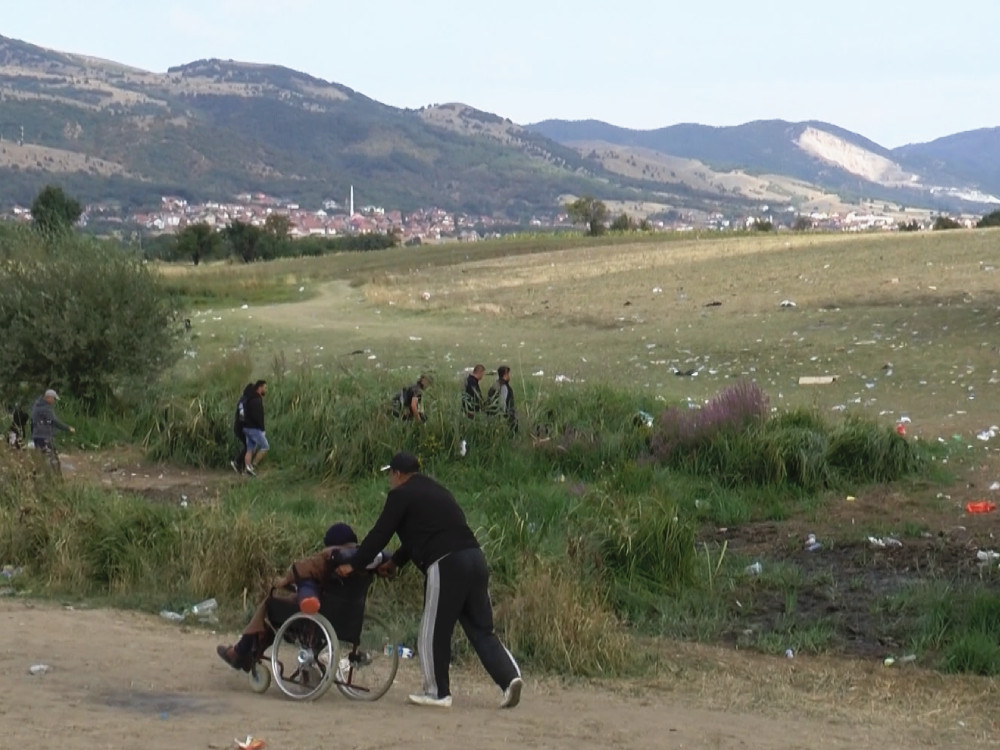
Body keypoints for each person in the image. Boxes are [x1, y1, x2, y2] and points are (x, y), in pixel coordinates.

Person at [337, 451, 523, 710]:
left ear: (398, 474)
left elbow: (380, 533)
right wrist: (396, 562)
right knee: (482, 630)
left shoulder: (400, 494)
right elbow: (425, 533)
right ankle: (510, 680)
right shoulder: (439, 491)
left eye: (390, 474)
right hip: (474, 557)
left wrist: (354, 564)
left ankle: (437, 693)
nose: (390, 480)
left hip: (446, 563)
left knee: (433, 629)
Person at [216, 522, 389, 671]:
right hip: (348, 618)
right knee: (289, 601)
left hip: (318, 615)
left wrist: (284, 581)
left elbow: (299, 569)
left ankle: (240, 652)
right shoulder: (365, 562)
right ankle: (246, 652)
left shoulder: (330, 557)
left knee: (270, 605)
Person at [30, 388, 75, 458]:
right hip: (44, 436)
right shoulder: (45, 408)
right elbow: (54, 421)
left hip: (36, 436)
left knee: (41, 458)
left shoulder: (36, 406)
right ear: (49, 397)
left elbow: (32, 422)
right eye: (54, 399)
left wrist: (33, 434)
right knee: (52, 458)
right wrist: (68, 428)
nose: (54, 401)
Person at [241, 380, 268, 476]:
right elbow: (258, 417)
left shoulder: (249, 398)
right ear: (259, 388)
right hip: (253, 428)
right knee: (265, 446)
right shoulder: (257, 400)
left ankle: (247, 469)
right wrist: (262, 429)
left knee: (249, 448)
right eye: (264, 387)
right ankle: (252, 466)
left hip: (246, 427)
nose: (265, 389)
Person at [229, 382, 254, 474]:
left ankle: (240, 465)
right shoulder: (244, 401)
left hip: (240, 427)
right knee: (249, 445)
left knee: (249, 446)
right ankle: (237, 463)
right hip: (241, 428)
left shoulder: (245, 400)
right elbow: (242, 415)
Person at [487, 366, 518, 432]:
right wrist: (504, 417)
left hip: (493, 416)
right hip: (505, 417)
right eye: (508, 374)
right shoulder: (504, 386)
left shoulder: (495, 385)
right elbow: (502, 402)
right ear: (505, 374)